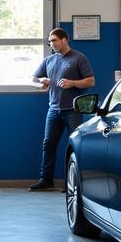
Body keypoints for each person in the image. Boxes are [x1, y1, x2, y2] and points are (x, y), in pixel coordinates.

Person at [29, 28, 95, 191]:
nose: (51, 44)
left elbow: (91, 81)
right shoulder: (49, 60)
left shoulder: (79, 58)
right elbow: (33, 80)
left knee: (74, 145)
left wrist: (73, 83)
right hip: (53, 109)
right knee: (49, 144)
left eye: (54, 40)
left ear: (64, 40)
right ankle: (46, 180)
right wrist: (41, 81)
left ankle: (73, 183)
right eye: (50, 41)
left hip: (73, 110)